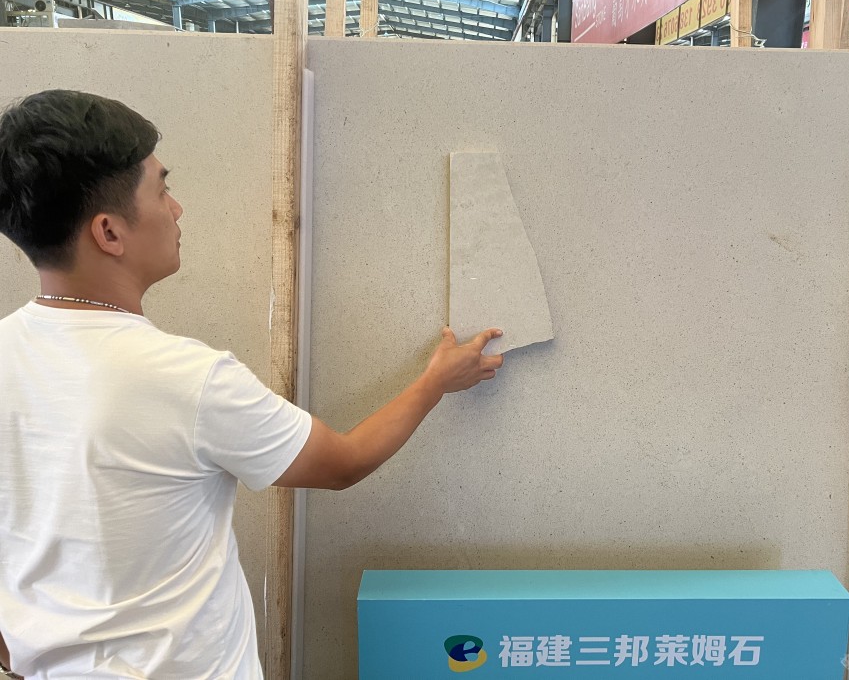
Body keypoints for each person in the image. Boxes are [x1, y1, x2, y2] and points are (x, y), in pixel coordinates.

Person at [0, 90, 504, 679]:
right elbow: (342, 463)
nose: (177, 209)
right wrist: (436, 382)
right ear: (109, 232)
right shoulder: (185, 379)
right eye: (161, 190)